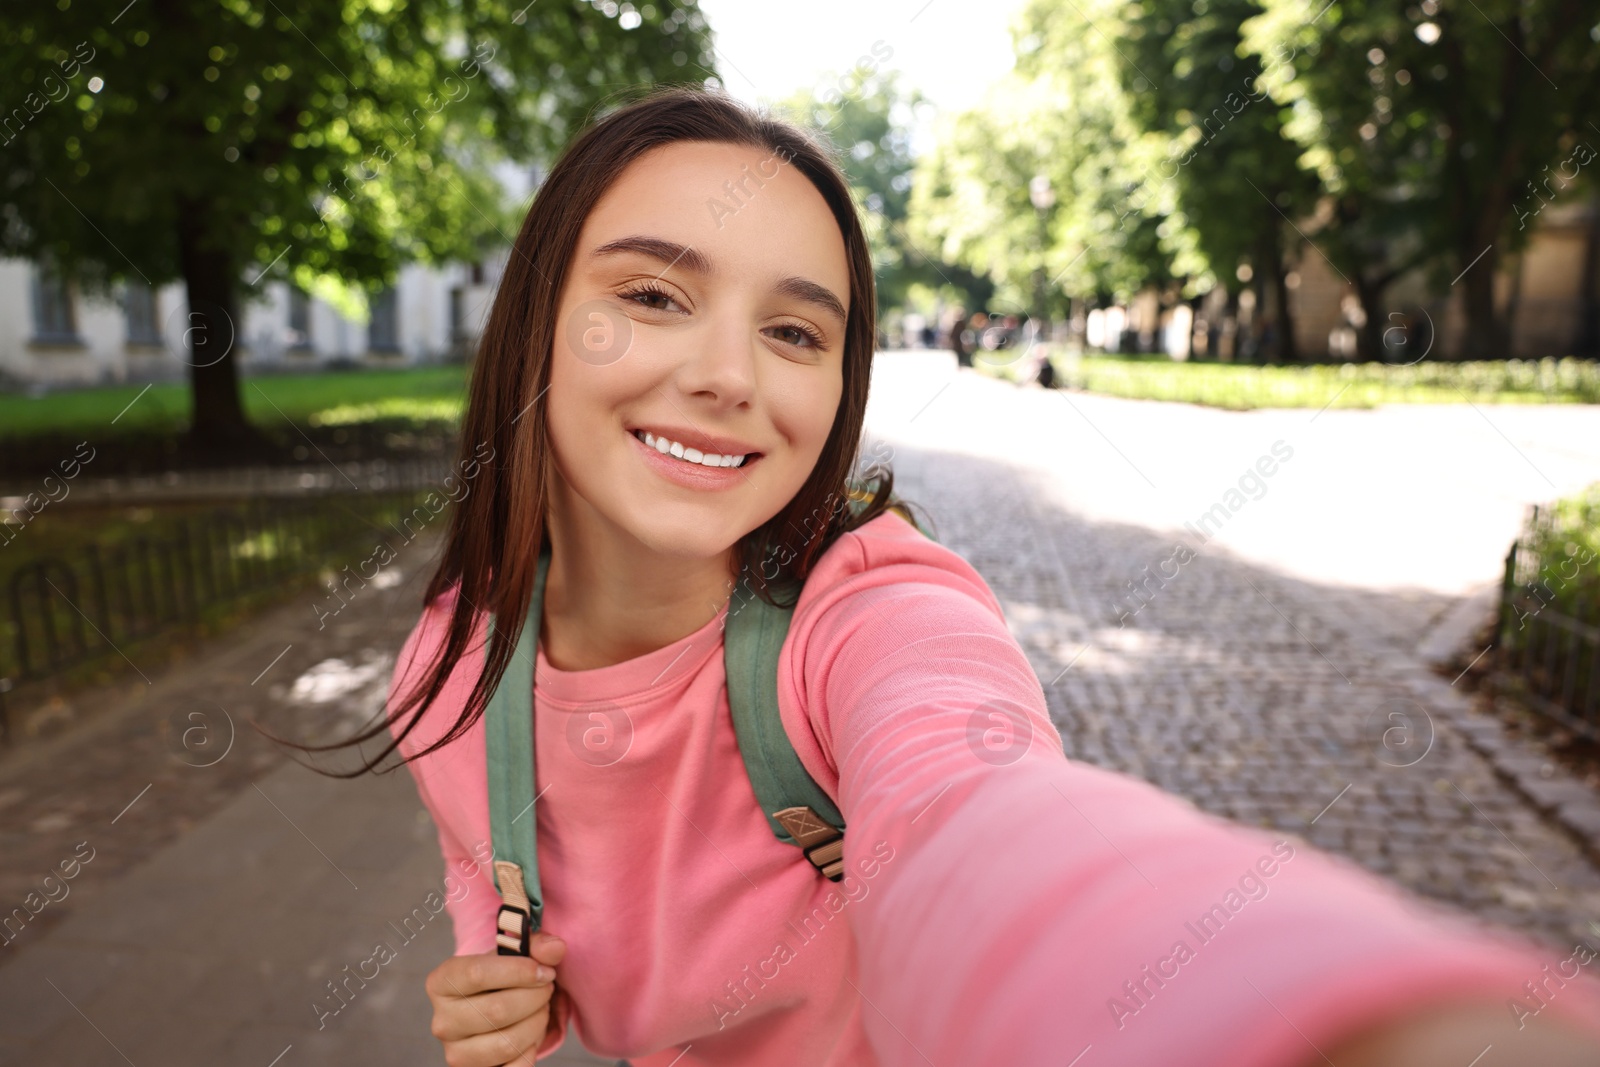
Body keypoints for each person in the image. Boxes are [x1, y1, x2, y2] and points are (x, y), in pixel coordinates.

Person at [344, 88, 1600, 1065]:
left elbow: (976, 816)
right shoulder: (447, 679)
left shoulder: (870, 615)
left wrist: (1307, 1012)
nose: (729, 372)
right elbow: (490, 879)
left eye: (793, 330)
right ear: (536, 321)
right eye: (656, 293)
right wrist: (502, 992)